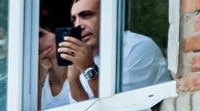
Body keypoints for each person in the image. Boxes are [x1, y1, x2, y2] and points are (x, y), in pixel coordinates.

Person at [39, 0, 170, 105]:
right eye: (74, 19)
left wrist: (89, 69)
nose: (78, 25)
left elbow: (121, 110)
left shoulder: (136, 47)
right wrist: (73, 80)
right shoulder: (86, 55)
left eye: (86, 15)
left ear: (107, 14)